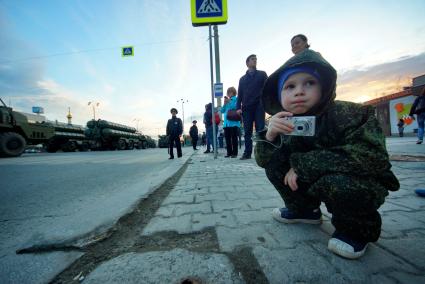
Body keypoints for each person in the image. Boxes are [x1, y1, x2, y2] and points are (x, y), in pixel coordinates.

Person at [254, 49, 399, 259]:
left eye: (309, 83)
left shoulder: (350, 114)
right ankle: (304, 210)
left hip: (354, 183)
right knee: (275, 164)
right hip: (315, 180)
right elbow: (264, 161)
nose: (299, 91)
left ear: (324, 87)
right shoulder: (285, 122)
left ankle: (357, 231)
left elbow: (371, 157)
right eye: (290, 86)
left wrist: (302, 165)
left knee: (339, 182)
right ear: (279, 95)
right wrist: (270, 136)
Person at [236, 54, 268, 160]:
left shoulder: (262, 74)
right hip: (246, 108)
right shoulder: (242, 79)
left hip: (259, 106)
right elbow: (239, 94)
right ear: (247, 63)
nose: (255, 61)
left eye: (256, 59)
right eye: (252, 59)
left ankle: (262, 153)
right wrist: (238, 108)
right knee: (247, 132)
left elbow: (268, 88)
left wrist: (267, 102)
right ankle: (247, 153)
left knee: (260, 130)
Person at [221, 87, 241, 158]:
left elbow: (236, 107)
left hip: (234, 123)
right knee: (227, 139)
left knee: (234, 138)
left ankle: (234, 153)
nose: (229, 93)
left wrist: (229, 102)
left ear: (234, 92)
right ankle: (229, 153)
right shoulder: (227, 101)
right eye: (228, 92)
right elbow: (222, 111)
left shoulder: (236, 99)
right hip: (226, 124)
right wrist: (224, 104)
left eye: (230, 92)